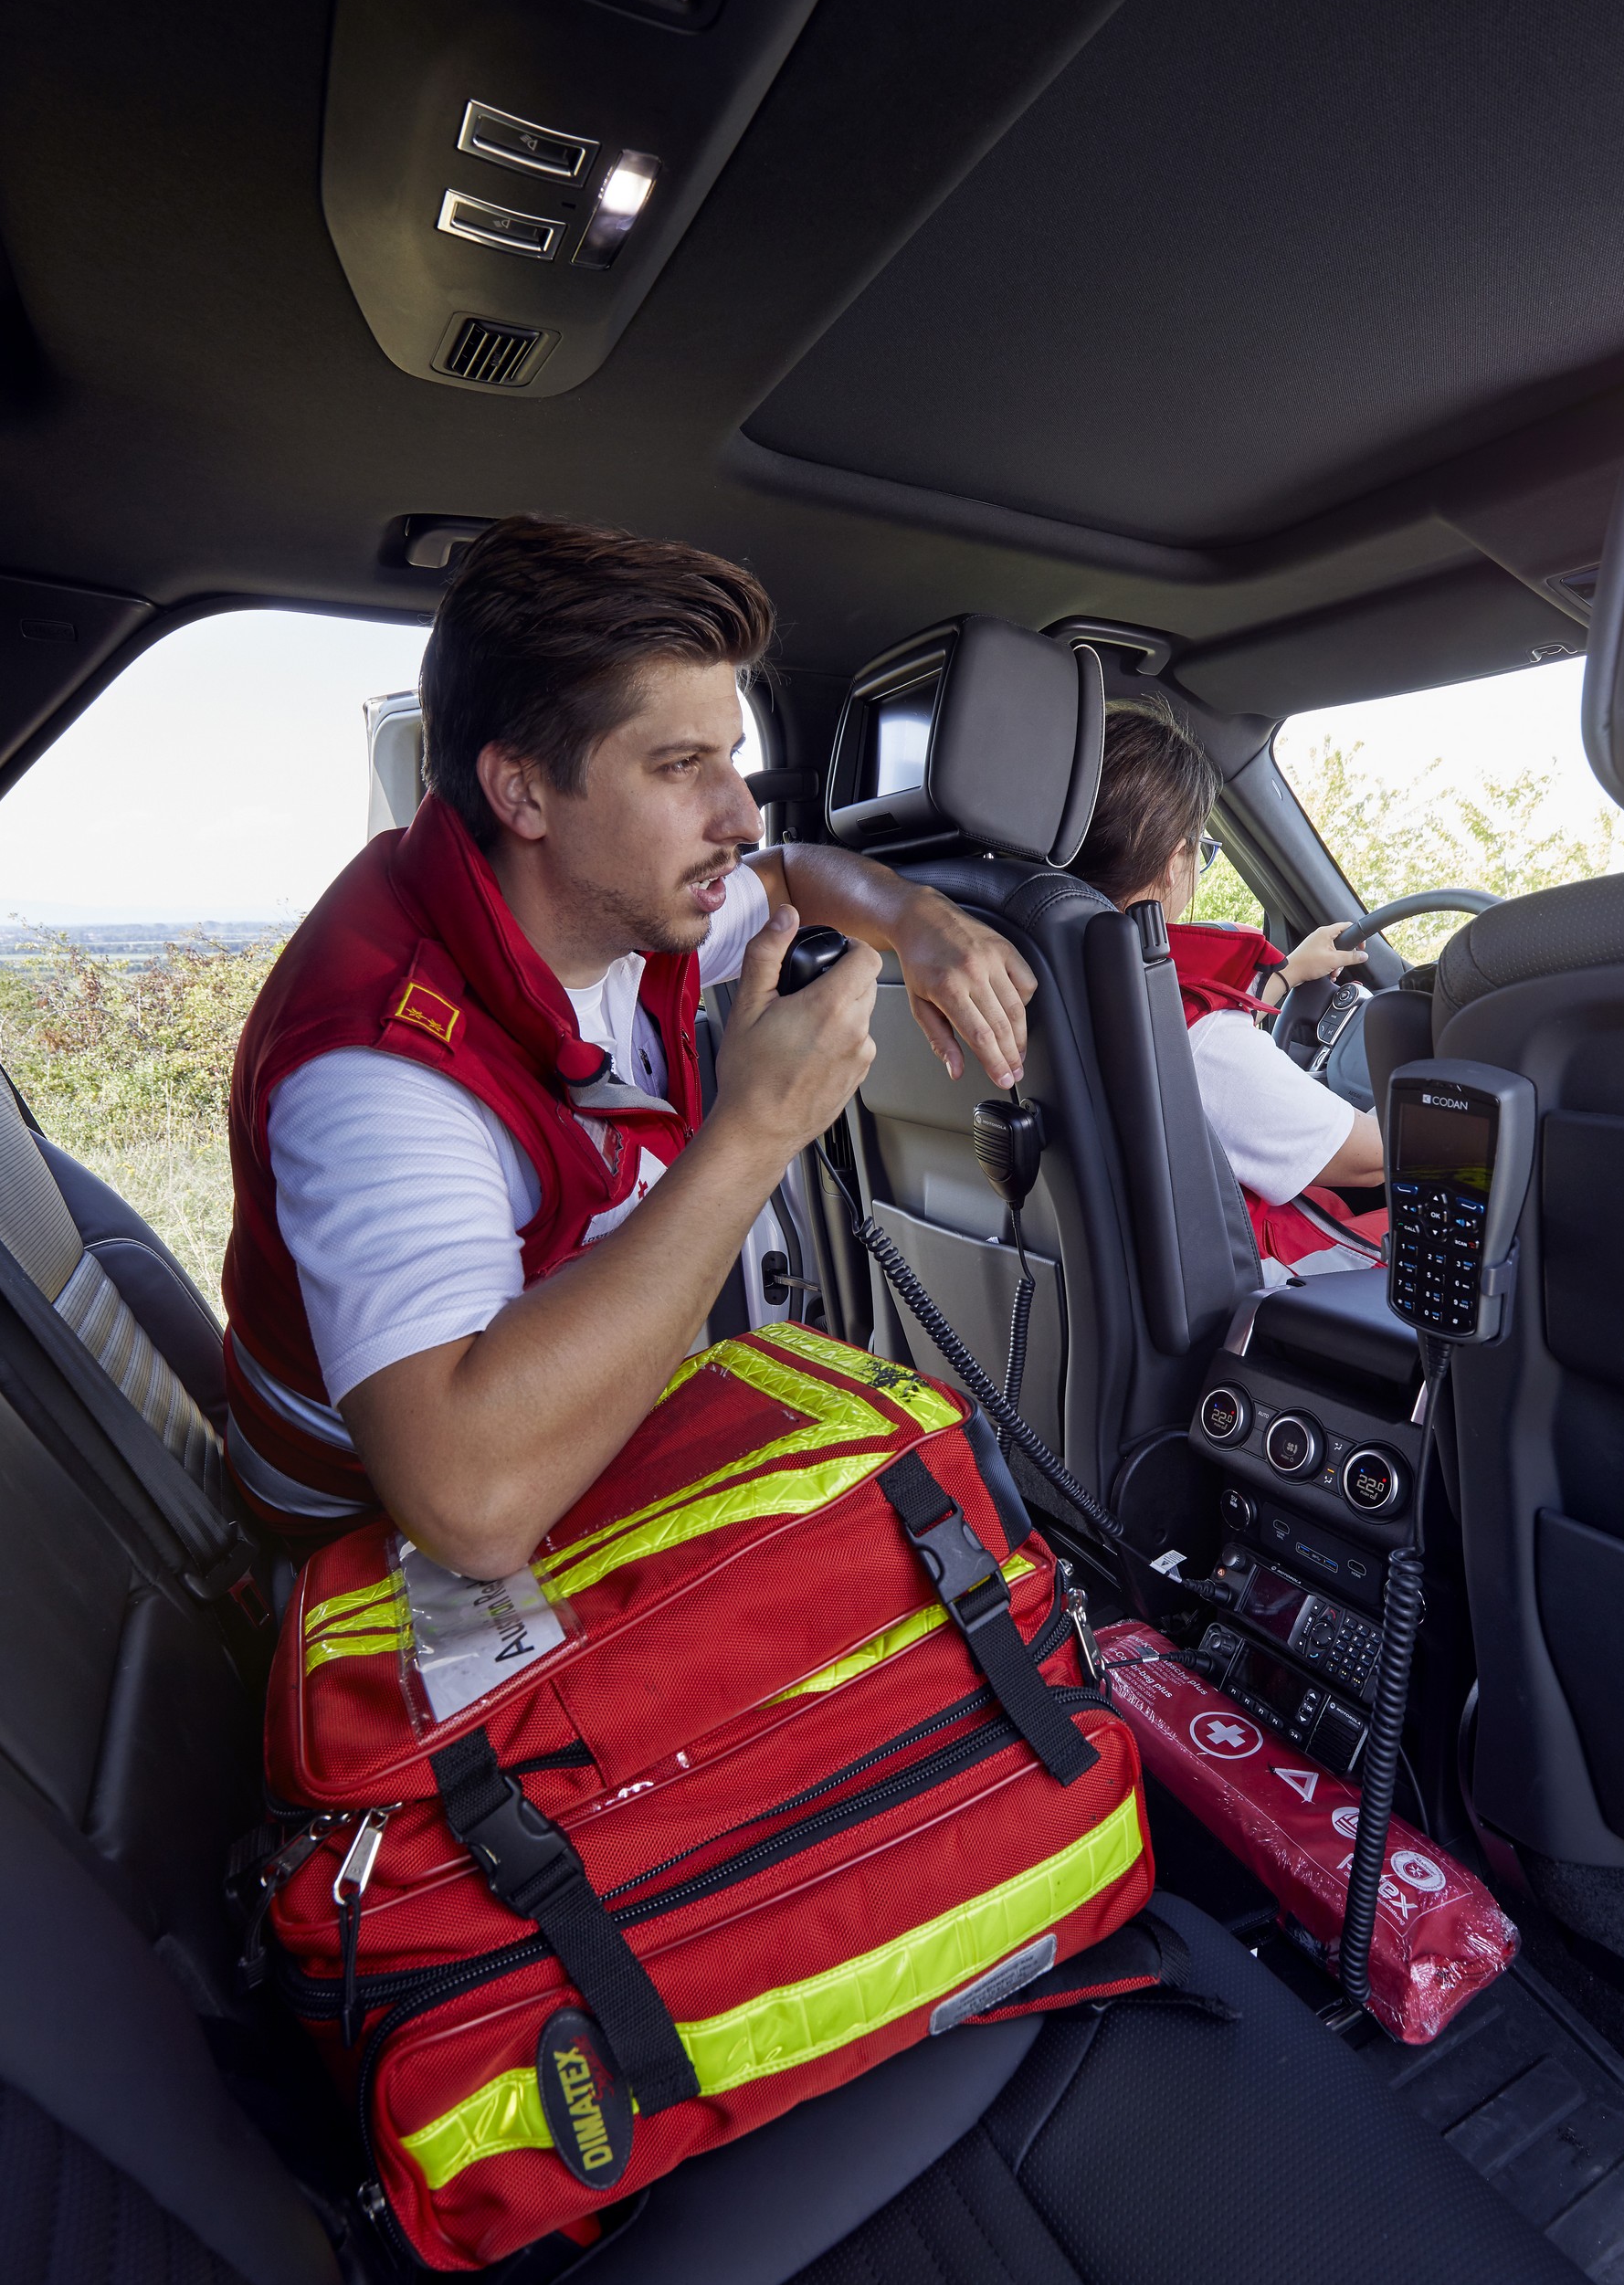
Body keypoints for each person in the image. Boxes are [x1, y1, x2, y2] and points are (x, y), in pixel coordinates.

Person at [222, 518, 1036, 1575]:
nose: (739, 813)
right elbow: (468, 1506)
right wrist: (756, 1132)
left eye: (733, 759)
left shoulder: (610, 899)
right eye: (682, 765)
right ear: (522, 791)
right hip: (359, 1547)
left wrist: (914, 917)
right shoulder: (380, 1065)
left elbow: (787, 873)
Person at [1070, 703, 1387, 1278]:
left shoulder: (1005, 977)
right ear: (1172, 862)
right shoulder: (1185, 1030)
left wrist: (1284, 975)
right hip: (1237, 1303)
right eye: (1202, 851)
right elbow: (1370, 1161)